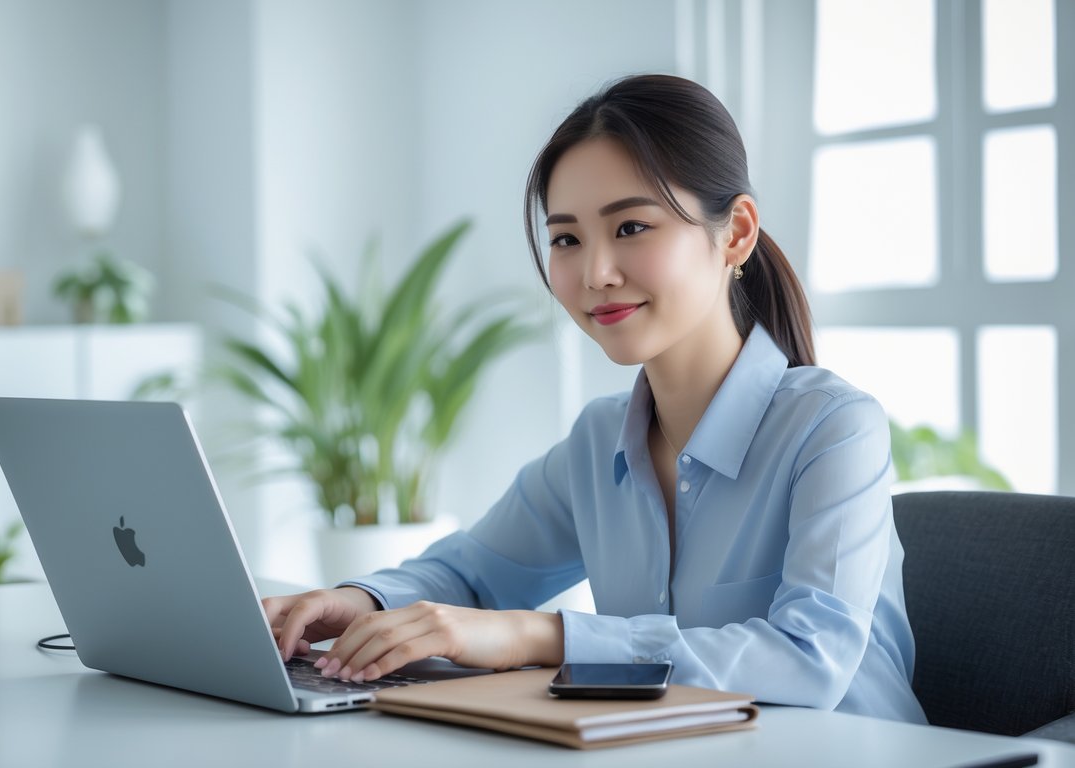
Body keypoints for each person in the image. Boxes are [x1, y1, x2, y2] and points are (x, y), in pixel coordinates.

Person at [262, 73, 928, 723]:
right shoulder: (597, 440)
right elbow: (471, 575)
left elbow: (809, 658)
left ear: (735, 233)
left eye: (631, 228)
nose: (595, 274)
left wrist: (540, 637)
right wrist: (361, 601)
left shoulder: (833, 428)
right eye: (565, 239)